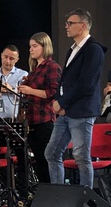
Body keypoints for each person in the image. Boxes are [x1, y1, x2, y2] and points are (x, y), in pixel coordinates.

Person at [44, 10, 105, 189]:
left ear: (83, 25)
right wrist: (59, 100)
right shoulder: (73, 49)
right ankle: (58, 195)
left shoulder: (93, 49)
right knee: (52, 152)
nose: (66, 26)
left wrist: (63, 102)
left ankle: (85, 197)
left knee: (81, 156)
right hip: (67, 111)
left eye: (71, 23)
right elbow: (65, 80)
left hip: (82, 111)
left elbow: (86, 84)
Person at [18, 33, 61, 186]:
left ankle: (50, 192)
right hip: (31, 121)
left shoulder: (52, 67)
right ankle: (43, 191)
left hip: (44, 119)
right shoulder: (34, 70)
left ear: (45, 46)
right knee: (38, 160)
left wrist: (30, 90)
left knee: (46, 159)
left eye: (35, 46)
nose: (31, 49)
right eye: (30, 46)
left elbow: (53, 93)